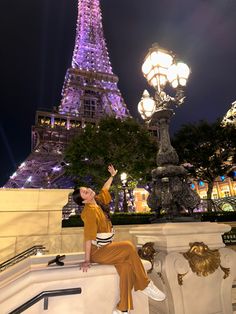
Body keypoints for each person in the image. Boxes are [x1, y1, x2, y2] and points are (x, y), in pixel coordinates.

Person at [72, 165, 166, 314]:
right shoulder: (89, 212)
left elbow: (105, 189)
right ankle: (144, 283)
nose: (88, 190)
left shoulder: (97, 201)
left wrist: (112, 176)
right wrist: (87, 259)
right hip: (99, 252)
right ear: (83, 201)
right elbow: (88, 238)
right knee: (129, 246)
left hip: (107, 248)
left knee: (126, 267)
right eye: (84, 192)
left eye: (86, 188)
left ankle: (122, 308)